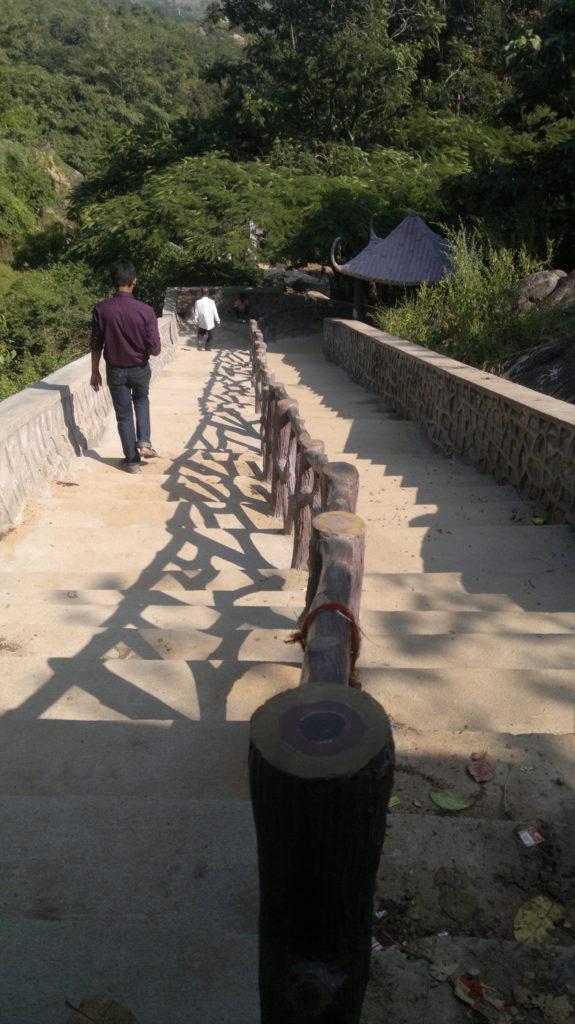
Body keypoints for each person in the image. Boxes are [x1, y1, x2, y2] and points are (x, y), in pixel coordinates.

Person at [90, 259, 161, 473]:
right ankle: (144, 442)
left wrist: (95, 373)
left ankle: (131, 461)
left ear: (113, 282)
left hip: (115, 370)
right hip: (139, 368)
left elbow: (96, 344)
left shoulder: (101, 309)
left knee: (123, 415)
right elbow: (155, 348)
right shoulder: (146, 311)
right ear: (134, 281)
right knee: (141, 400)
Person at [192, 287, 220, 351]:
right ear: (208, 293)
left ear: (201, 293)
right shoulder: (212, 302)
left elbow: (196, 312)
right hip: (210, 321)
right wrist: (218, 320)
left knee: (201, 332)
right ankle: (208, 347)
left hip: (202, 320)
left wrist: (195, 322)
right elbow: (215, 312)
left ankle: (199, 340)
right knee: (211, 335)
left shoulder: (198, 302)